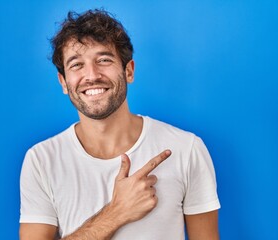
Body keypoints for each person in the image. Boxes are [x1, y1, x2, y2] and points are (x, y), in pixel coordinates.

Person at [19, 9, 220, 240]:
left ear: (129, 71)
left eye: (104, 60)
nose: (92, 75)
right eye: (76, 65)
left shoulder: (187, 149)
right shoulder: (41, 160)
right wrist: (117, 212)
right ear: (63, 82)